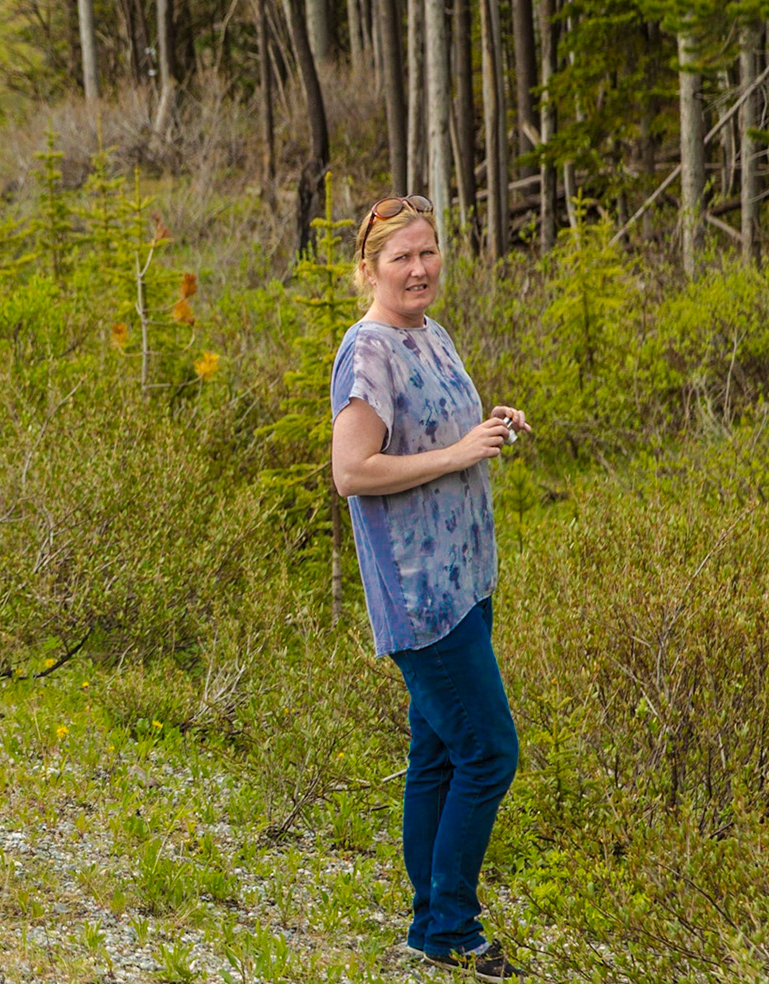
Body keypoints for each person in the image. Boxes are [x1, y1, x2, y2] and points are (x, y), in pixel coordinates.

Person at [329, 195, 531, 982]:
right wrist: (456, 455)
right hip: (419, 592)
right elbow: (352, 472)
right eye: (400, 258)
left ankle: (430, 925)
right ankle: (448, 927)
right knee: (489, 750)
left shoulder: (430, 332)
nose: (418, 269)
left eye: (427, 252)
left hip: (466, 577)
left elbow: (442, 434)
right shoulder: (369, 350)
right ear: (369, 268)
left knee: (439, 753)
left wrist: (489, 428)